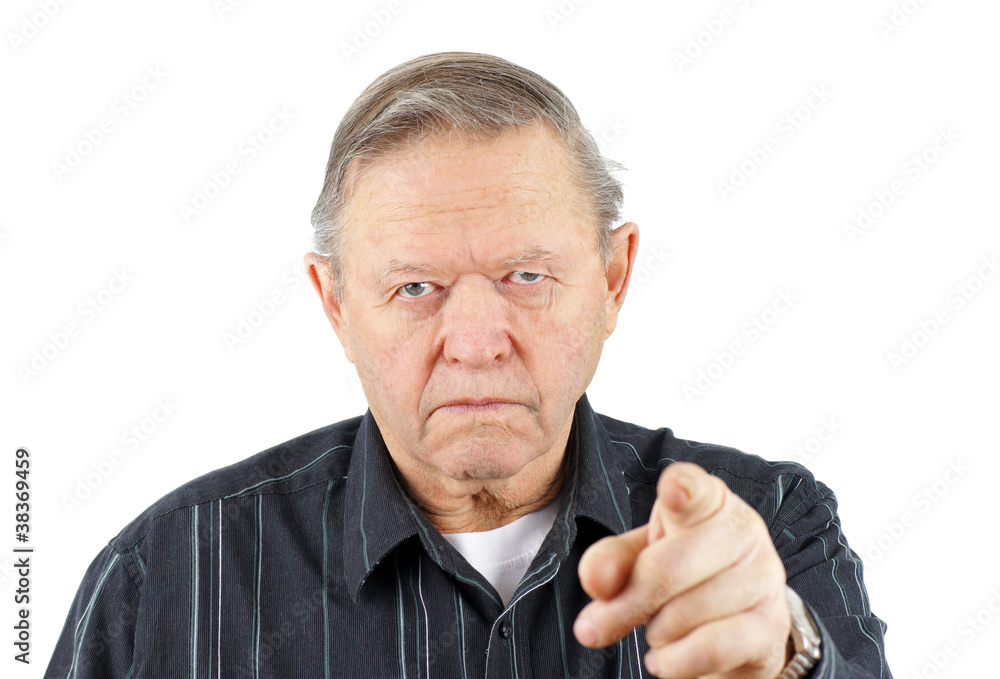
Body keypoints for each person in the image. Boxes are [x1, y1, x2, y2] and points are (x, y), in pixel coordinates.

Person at [45, 52, 891, 679]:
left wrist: (788, 654)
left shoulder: (770, 525)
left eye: (527, 276)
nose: (477, 340)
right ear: (336, 305)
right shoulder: (170, 573)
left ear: (613, 279)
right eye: (415, 286)